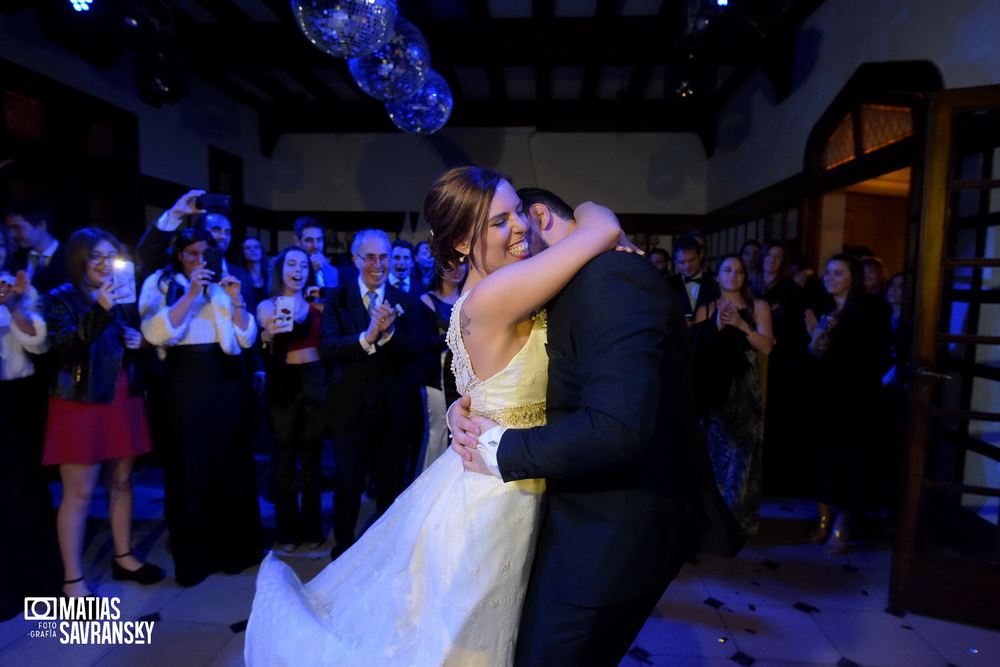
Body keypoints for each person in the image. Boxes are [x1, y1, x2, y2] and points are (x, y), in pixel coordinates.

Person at [244, 166, 625, 665]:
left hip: (499, 465)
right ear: (464, 241)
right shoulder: (495, 293)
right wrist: (589, 215)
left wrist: (470, 406)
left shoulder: (488, 288)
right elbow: (603, 226)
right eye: (499, 222)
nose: (520, 228)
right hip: (499, 488)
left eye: (518, 213)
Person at [448, 186, 743, 666]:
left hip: (610, 530)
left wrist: (497, 451)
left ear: (538, 214)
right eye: (499, 227)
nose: (518, 244)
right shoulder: (569, 280)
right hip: (562, 508)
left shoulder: (611, 276)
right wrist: (461, 409)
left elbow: (615, 427)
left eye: (517, 225)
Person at [41, 228, 164, 597]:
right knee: (78, 493)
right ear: (79, 259)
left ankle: (124, 556)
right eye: (97, 256)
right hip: (79, 402)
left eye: (111, 257)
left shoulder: (123, 297)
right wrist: (100, 309)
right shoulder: (59, 298)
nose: (105, 264)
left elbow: (132, 342)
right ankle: (72, 579)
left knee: (123, 479)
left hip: (122, 397)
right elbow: (63, 348)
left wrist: (140, 343)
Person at [139, 227, 263, 586]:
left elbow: (245, 337)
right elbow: (155, 333)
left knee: (231, 466)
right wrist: (191, 292)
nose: (199, 260)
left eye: (204, 253)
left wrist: (237, 301)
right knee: (189, 470)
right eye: (191, 254)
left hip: (226, 379)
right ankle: (195, 558)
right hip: (185, 382)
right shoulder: (162, 283)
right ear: (179, 254)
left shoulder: (226, 282)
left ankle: (235, 552)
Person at [317, 229, 427, 559]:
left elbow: (417, 350)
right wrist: (367, 337)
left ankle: (385, 546)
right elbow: (328, 348)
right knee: (348, 482)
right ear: (355, 259)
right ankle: (344, 546)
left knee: (391, 483)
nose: (378, 264)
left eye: (384, 257)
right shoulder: (336, 298)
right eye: (370, 257)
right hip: (349, 408)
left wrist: (390, 333)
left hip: (392, 411)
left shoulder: (406, 300)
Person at [803, 253, 890, 554]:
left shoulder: (871, 310)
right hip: (824, 395)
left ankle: (843, 522)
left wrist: (837, 334)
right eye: (828, 272)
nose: (830, 278)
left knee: (851, 463)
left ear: (853, 277)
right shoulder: (821, 308)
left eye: (838, 273)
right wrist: (816, 336)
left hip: (857, 400)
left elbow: (873, 357)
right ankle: (823, 518)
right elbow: (813, 356)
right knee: (821, 459)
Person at [0, 225, 61, 619]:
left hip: (17, 399)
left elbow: (39, 343)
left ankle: (37, 583)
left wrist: (18, 305)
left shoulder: (19, 284)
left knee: (26, 494)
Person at [691, 255, 773, 535]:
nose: (734, 275)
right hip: (715, 383)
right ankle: (712, 520)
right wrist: (716, 326)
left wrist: (740, 324)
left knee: (746, 448)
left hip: (747, 383)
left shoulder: (758, 306)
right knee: (714, 449)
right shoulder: (707, 307)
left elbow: (766, 346)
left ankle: (739, 519)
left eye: (739, 271)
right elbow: (698, 350)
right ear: (718, 276)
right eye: (728, 270)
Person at [257, 246, 328, 551]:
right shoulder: (267, 305)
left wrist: (319, 304)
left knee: (312, 457)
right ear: (280, 269)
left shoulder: (318, 304)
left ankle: (312, 528)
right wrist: (268, 334)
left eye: (302, 265)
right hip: (283, 383)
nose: (297, 270)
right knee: (284, 456)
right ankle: (287, 531)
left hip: (315, 379)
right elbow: (263, 336)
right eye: (291, 264)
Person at [417, 259, 467, 472]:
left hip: (465, 376)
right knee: (437, 433)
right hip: (437, 377)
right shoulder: (426, 300)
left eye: (461, 264)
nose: (457, 270)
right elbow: (425, 344)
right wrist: (460, 331)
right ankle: (426, 485)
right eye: (450, 265)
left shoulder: (470, 296)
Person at [4, 199, 69, 295]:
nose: (12, 235)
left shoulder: (70, 258)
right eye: (10, 229)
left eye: (17, 228)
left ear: (41, 225)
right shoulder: (14, 259)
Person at [667, 233, 720, 322]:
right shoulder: (668, 284)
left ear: (701, 256)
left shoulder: (715, 282)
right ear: (675, 262)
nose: (688, 266)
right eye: (682, 262)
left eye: (692, 260)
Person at [293, 216, 339, 297]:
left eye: (319, 240)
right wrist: (311, 271)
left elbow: (335, 302)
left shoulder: (332, 271)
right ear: (297, 241)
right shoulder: (283, 266)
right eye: (309, 240)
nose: (316, 246)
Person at [238, 236, 269, 306]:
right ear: (243, 253)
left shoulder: (270, 275)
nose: (252, 250)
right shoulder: (239, 276)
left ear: (261, 251)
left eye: (256, 247)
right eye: (248, 248)